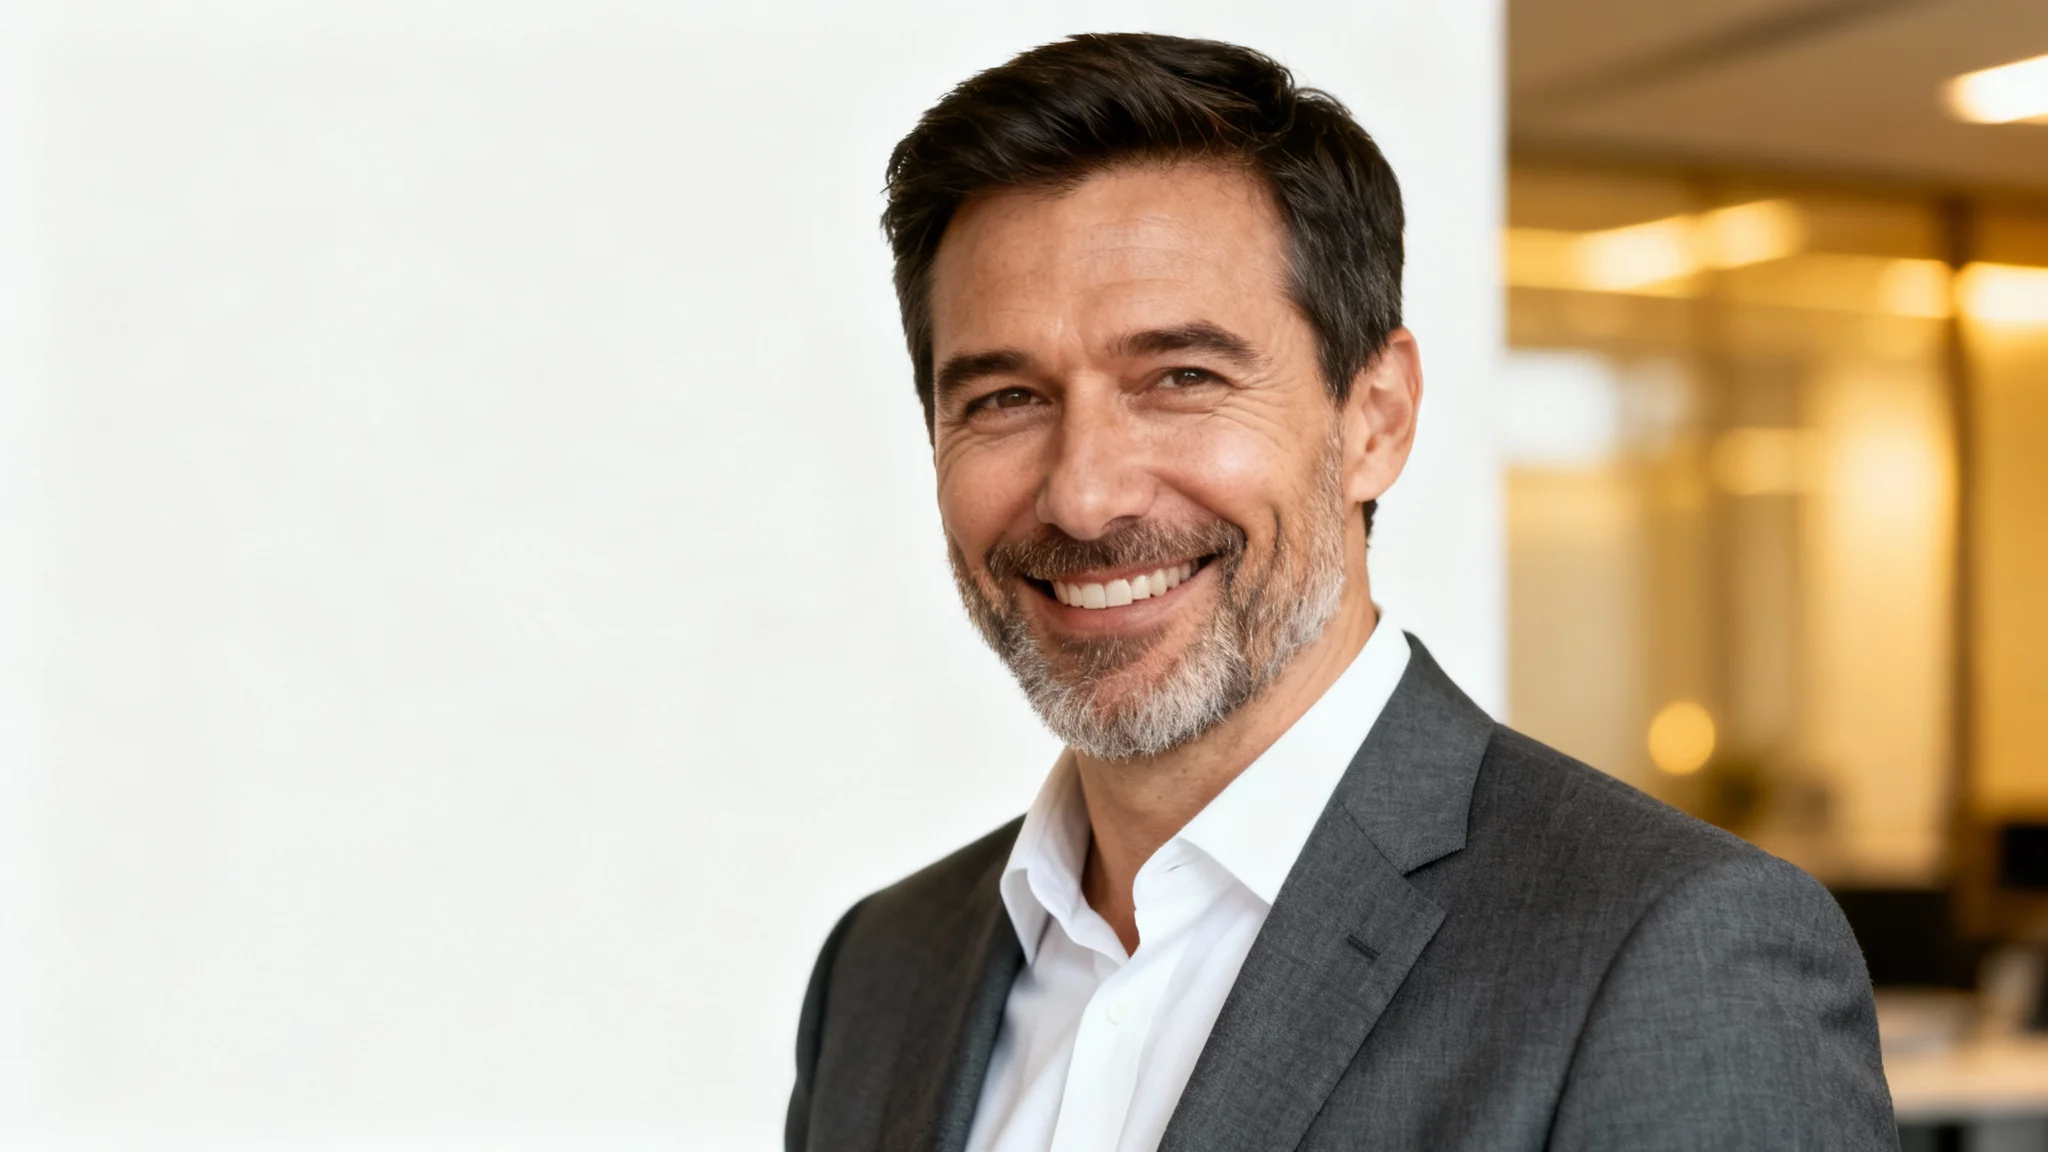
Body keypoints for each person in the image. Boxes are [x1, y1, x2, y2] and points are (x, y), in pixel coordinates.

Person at [786, 32, 1897, 1152]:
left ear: (1375, 421)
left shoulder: (1671, 954)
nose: (1082, 496)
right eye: (1004, 398)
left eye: (1180, 379)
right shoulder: (882, 972)